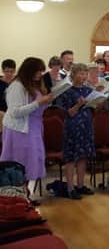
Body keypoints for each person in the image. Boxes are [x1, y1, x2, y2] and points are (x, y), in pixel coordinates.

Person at [1, 57, 54, 196]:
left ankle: (27, 195)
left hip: (33, 128)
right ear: (29, 70)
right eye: (38, 71)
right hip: (19, 130)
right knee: (21, 163)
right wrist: (39, 102)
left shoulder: (33, 84)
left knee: (34, 160)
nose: (40, 74)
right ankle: (19, 196)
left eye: (42, 71)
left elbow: (35, 105)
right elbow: (15, 112)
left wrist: (46, 102)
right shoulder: (17, 86)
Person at [54, 63, 96, 199]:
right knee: (71, 158)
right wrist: (79, 104)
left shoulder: (88, 90)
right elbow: (69, 113)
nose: (84, 76)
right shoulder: (67, 91)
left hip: (86, 126)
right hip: (72, 127)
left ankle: (80, 185)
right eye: (81, 74)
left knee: (83, 157)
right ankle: (70, 188)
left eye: (85, 73)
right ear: (74, 74)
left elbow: (93, 108)